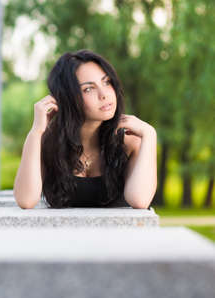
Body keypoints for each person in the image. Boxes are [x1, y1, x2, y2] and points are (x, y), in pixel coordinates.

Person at [13, 49, 157, 209]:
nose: (104, 94)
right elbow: (26, 200)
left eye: (107, 82)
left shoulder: (130, 142)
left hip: (118, 233)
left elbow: (140, 200)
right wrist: (36, 132)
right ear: (67, 97)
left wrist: (150, 135)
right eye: (88, 89)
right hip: (59, 234)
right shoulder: (48, 143)